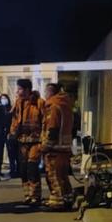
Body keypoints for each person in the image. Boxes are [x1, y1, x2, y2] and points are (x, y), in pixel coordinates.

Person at [40, 82, 75, 211]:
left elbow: (52, 128)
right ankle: (68, 199)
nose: (45, 94)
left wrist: (45, 146)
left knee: (54, 176)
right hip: (65, 148)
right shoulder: (66, 105)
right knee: (63, 176)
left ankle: (57, 202)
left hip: (55, 149)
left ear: (50, 92)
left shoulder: (53, 106)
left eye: (46, 92)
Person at [12, 79, 45, 205]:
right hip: (22, 141)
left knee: (32, 168)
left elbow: (45, 121)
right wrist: (12, 134)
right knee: (23, 169)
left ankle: (35, 196)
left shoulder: (39, 103)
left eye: (20, 89)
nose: (18, 91)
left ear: (27, 90)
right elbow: (15, 120)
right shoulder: (18, 103)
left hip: (36, 141)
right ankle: (27, 195)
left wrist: (44, 139)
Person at [1, 89, 19, 179]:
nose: (3, 100)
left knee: (12, 153)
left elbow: (10, 117)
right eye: (2, 98)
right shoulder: (0, 108)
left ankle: (14, 170)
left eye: (5, 98)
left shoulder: (10, 108)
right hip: (1, 133)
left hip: (10, 133)